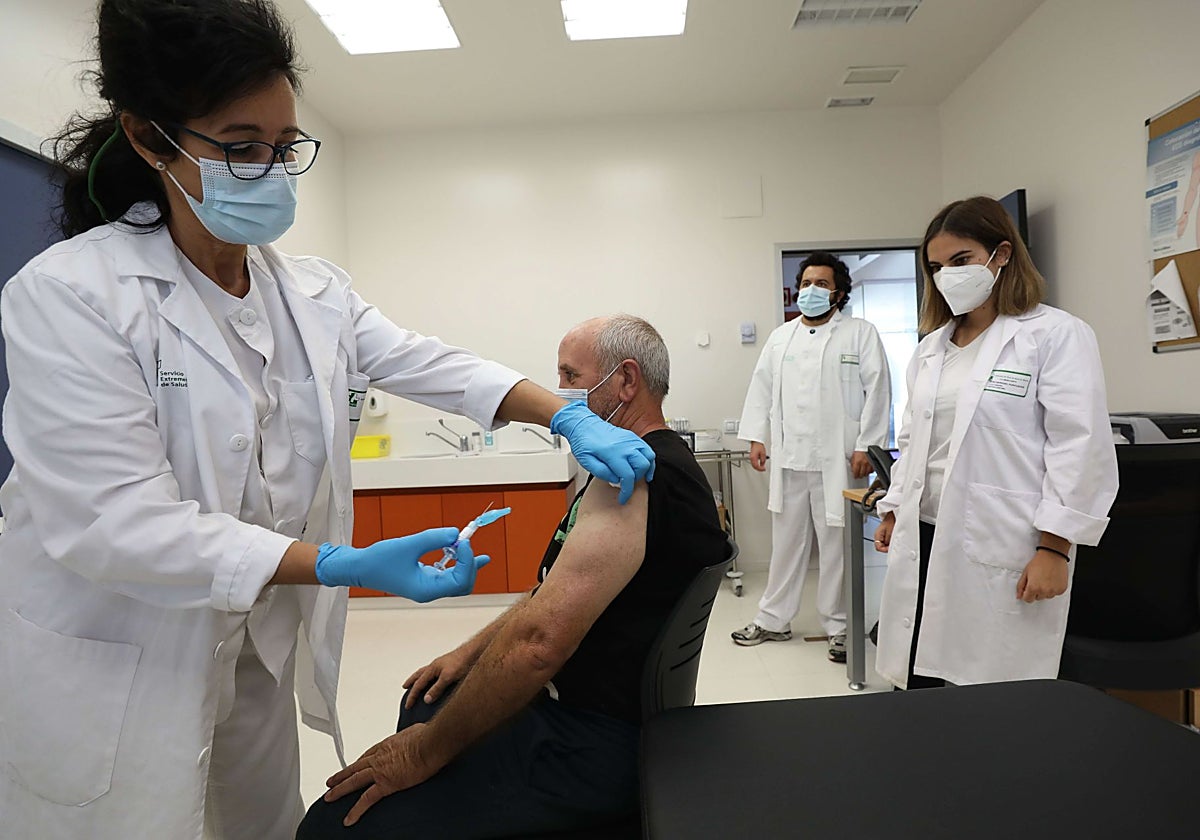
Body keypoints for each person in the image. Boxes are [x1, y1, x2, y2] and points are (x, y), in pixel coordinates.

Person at [0, 3, 655, 838]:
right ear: (150, 138)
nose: (271, 170)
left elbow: (429, 362)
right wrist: (344, 562)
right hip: (116, 656)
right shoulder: (72, 296)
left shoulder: (308, 292)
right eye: (240, 147)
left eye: (285, 146)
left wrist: (565, 414)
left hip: (250, 656)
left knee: (254, 821)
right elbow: (117, 522)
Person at [296, 315, 728, 838]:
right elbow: (547, 598)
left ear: (626, 380)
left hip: (590, 742)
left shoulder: (633, 477)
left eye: (570, 376)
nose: (559, 394)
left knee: (329, 827)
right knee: (423, 700)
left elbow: (538, 643)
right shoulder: (644, 462)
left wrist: (423, 755)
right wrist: (470, 653)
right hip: (596, 709)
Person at [873, 196, 1118, 690]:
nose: (947, 275)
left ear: (1001, 254)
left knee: (994, 694)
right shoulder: (930, 349)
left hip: (1007, 541)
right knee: (918, 682)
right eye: (936, 266)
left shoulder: (1054, 335)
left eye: (960, 260)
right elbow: (913, 439)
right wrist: (896, 505)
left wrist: (1056, 548)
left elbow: (1080, 445)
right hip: (923, 534)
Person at [732, 252, 891, 662]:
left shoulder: (859, 333)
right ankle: (772, 620)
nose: (811, 291)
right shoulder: (780, 337)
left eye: (821, 284)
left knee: (838, 545)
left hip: (838, 460)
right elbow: (761, 389)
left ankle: (839, 628)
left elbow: (878, 391)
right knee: (785, 544)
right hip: (790, 459)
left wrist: (867, 446)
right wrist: (755, 438)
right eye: (805, 284)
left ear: (838, 292)